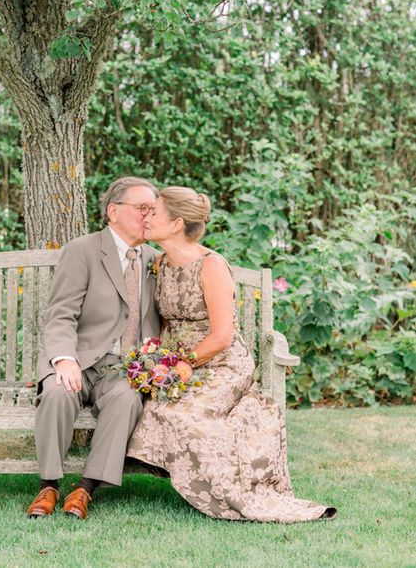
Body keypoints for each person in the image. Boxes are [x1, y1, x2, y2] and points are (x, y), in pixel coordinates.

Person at [127, 186, 337, 523]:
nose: (146, 217)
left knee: (187, 419)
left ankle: (233, 496)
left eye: (154, 212)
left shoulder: (210, 267)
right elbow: (168, 324)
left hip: (221, 364)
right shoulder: (162, 264)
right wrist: (157, 360)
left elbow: (223, 337)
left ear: (177, 223)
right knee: (154, 408)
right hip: (181, 363)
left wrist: (183, 363)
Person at [26, 176, 160, 519]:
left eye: (153, 209)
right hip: (80, 359)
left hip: (123, 368)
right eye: (142, 207)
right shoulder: (83, 250)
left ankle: (85, 488)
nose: (149, 215)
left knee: (128, 399)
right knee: (57, 393)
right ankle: (49, 485)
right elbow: (61, 314)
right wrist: (64, 359)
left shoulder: (156, 261)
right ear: (113, 211)